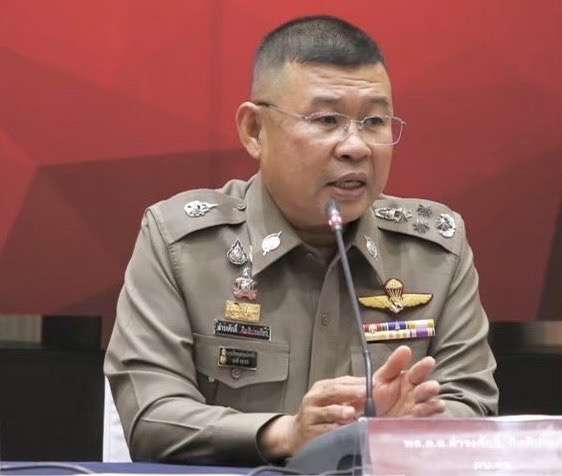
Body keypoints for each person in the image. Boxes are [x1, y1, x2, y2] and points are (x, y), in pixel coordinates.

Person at [104, 15, 498, 466]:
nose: (356, 147)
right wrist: (285, 433)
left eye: (374, 121)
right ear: (254, 130)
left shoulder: (435, 251)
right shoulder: (182, 243)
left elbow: (474, 406)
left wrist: (401, 430)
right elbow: (152, 418)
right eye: (326, 120)